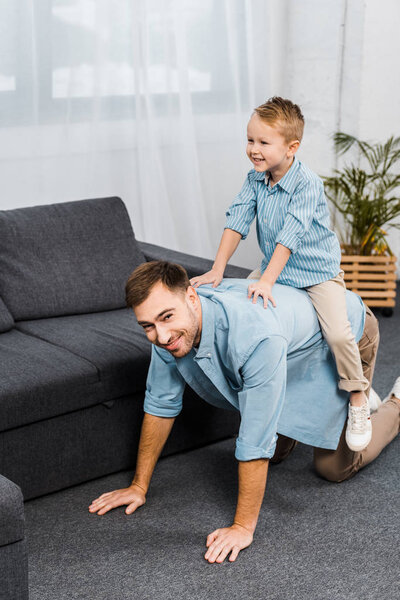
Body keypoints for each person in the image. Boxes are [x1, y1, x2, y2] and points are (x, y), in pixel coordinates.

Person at [88, 261, 400, 564]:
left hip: (345, 332)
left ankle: (393, 402)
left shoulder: (253, 336)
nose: (162, 335)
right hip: (288, 345)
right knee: (275, 453)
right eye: (148, 326)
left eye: (167, 317)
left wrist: (242, 527)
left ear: (191, 298)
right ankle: (341, 402)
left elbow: (255, 438)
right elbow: (160, 404)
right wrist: (138, 486)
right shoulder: (166, 333)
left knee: (334, 468)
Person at [190, 96, 371, 452]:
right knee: (242, 309)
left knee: (337, 334)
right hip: (277, 268)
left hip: (316, 274)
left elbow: (289, 238)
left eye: (263, 142)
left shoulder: (307, 184)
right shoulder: (255, 179)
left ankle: (358, 396)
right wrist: (217, 268)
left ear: (292, 148)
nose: (253, 150)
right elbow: (237, 221)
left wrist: (267, 280)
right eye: (250, 140)